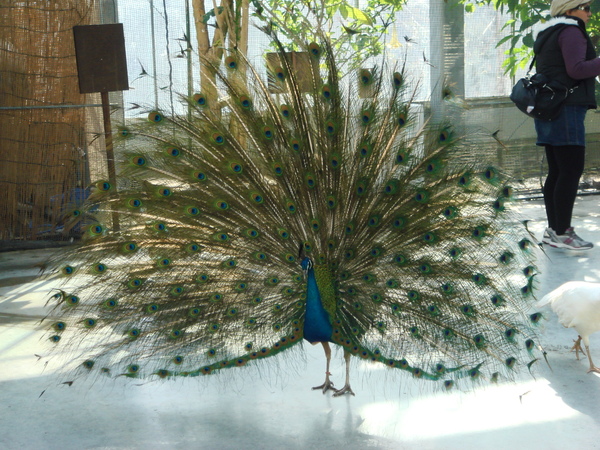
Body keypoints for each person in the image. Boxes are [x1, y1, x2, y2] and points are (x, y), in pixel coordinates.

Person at [534, 0, 600, 250]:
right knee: (571, 170)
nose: (589, 13)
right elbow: (577, 69)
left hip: (549, 108)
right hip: (567, 109)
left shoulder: (548, 31)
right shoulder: (571, 31)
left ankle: (554, 231)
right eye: (585, 7)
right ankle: (562, 233)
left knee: (558, 171)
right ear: (569, 9)